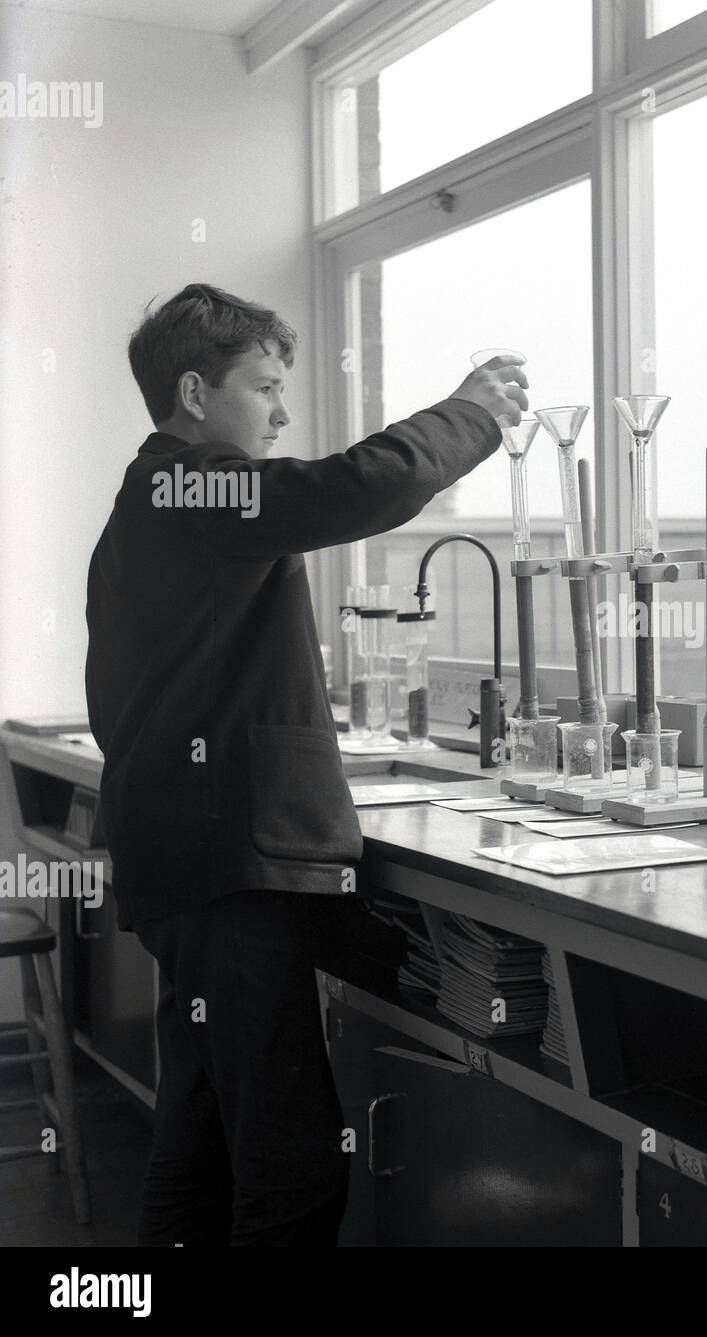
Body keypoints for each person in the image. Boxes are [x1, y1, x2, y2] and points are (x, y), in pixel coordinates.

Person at [84, 282, 526, 1245]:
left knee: (201, 1138)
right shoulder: (185, 483)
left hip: (190, 865)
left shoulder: (155, 501)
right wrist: (471, 415)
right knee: (291, 1171)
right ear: (196, 394)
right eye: (267, 387)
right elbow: (351, 489)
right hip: (225, 874)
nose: (283, 413)